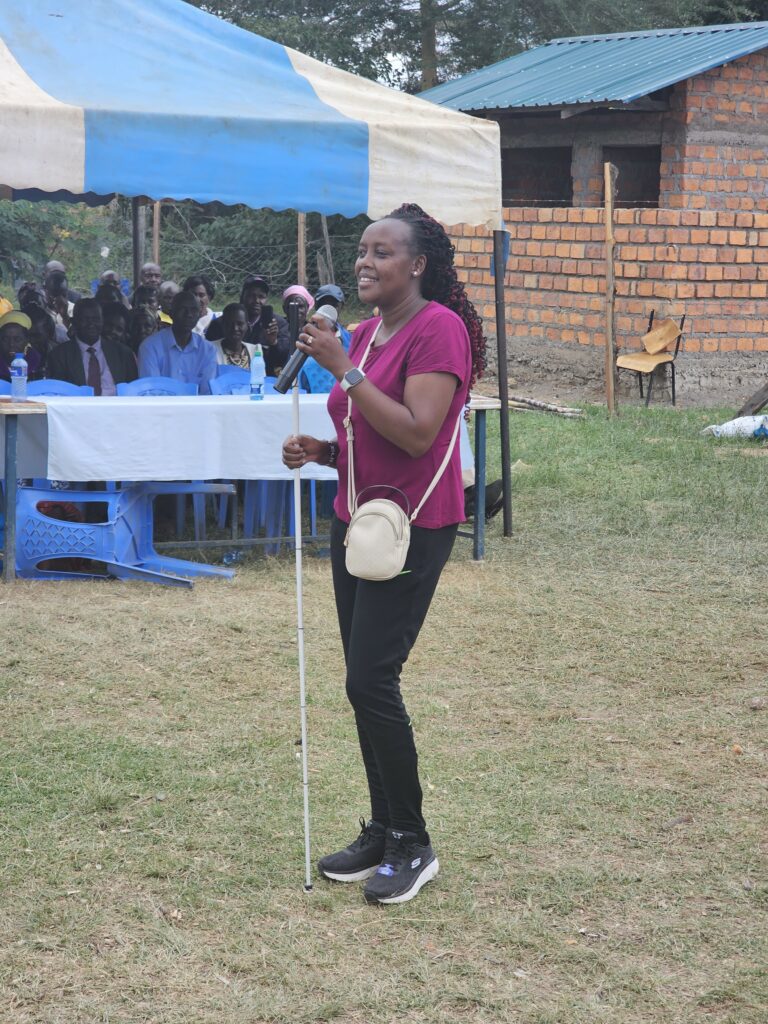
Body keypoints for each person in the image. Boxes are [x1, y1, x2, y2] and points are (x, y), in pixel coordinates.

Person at [281, 203, 486, 905]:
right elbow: (369, 435)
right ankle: (384, 828)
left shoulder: (439, 331)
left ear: (419, 264)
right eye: (362, 252)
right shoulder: (364, 335)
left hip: (413, 526)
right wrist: (325, 451)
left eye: (384, 252)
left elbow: (418, 434)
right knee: (359, 682)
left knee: (373, 679)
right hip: (358, 521)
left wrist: (342, 370)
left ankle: (413, 844)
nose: (365, 263)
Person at [46, 298, 138, 395]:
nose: (91, 324)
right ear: (74, 322)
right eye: (85, 319)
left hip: (118, 408)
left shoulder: (123, 353)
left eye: (96, 319)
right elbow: (59, 394)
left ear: (102, 321)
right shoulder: (59, 355)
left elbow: (134, 392)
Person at [206, 274, 289, 375]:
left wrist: (273, 343)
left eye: (261, 297)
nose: (256, 301)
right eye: (251, 296)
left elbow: (283, 360)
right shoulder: (220, 324)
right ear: (242, 297)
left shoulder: (278, 324)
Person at [138, 289, 216, 394]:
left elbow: (207, 392)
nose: (189, 314)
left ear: (199, 315)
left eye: (193, 310)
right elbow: (152, 392)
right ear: (171, 313)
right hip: (161, 409)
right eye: (183, 309)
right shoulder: (150, 347)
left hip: (197, 409)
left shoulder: (207, 349)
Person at [209, 302, 260, 369]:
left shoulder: (255, 350)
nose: (235, 328)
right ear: (223, 324)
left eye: (240, 324)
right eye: (230, 324)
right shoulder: (209, 349)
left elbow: (260, 377)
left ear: (247, 325)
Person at [0, 310, 43, 380]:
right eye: (5, 339)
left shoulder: (36, 361)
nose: (11, 344)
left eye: (17, 339)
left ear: (27, 340)